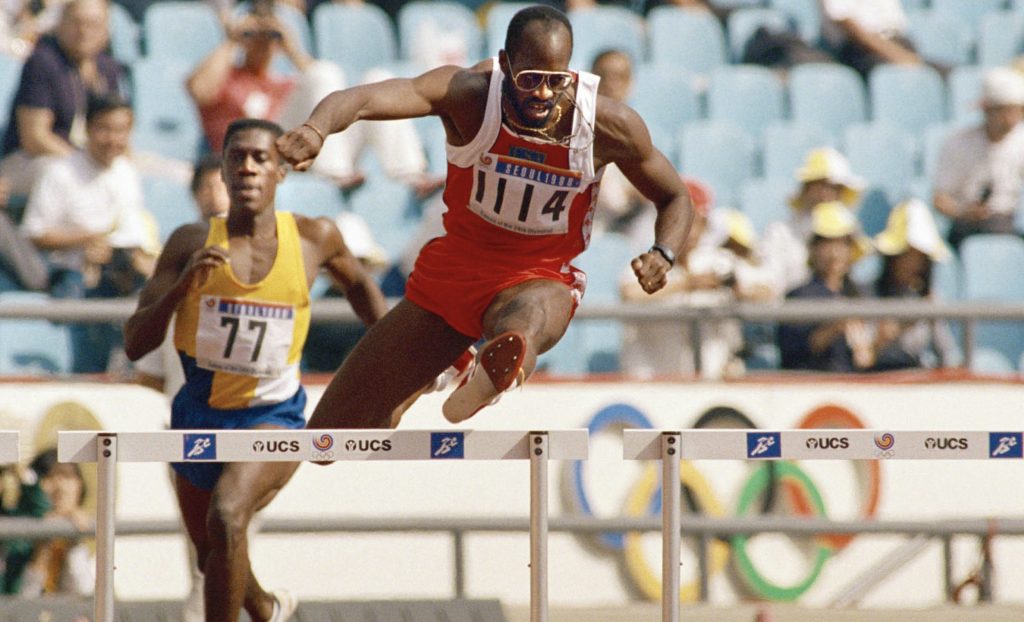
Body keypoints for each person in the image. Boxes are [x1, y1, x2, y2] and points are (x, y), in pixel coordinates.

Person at [276, 4, 693, 426]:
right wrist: (316, 129)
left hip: (539, 274)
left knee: (525, 324)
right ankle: (449, 365)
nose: (544, 94)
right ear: (506, 65)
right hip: (454, 274)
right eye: (530, 80)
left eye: (556, 81)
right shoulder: (471, 94)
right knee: (333, 435)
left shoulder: (608, 125)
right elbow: (365, 99)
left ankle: (493, 375)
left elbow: (675, 196)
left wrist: (664, 252)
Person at [121, 118, 392, 622]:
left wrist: (395, 355)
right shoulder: (188, 242)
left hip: (274, 415)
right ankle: (266, 607)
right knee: (212, 553)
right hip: (198, 415)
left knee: (227, 515)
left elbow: (359, 286)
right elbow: (136, 343)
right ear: (221, 173)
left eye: (260, 158)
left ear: (282, 172)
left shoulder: (316, 238)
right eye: (236, 157)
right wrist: (182, 288)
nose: (247, 167)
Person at [187, 4, 442, 196]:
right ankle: (333, 172)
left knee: (377, 79)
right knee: (324, 73)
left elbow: (320, 85)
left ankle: (408, 173)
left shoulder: (286, 82)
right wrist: (233, 40)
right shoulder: (228, 77)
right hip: (259, 155)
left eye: (271, 37)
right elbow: (199, 90)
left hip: (305, 149)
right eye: (254, 36)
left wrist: (291, 47)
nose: (263, 43)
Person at [19, 93, 156, 373]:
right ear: (88, 129)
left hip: (123, 273)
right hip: (73, 275)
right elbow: (35, 233)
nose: (112, 139)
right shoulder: (60, 172)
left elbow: (135, 228)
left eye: (121, 130)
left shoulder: (127, 172)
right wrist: (89, 239)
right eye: (105, 129)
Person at [619, 179, 772, 379]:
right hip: (655, 381)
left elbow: (768, 291)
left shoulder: (719, 261)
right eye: (678, 221)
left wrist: (739, 290)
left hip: (710, 381)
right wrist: (687, 284)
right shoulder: (646, 260)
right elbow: (629, 293)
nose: (686, 231)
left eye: (695, 222)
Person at [0, 0, 125, 196]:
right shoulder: (43, 62)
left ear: (106, 30)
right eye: (77, 22)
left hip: (86, 159)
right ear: (60, 25)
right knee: (59, 174)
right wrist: (84, 164)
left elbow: (118, 126)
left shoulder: (108, 69)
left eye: (93, 24)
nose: (84, 31)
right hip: (32, 161)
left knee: (127, 172)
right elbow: (34, 138)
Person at [933, 66, 1024, 252]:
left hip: (1007, 221)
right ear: (987, 110)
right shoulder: (958, 144)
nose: (1009, 120)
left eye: (1016, 111)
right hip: (967, 225)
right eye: (1003, 111)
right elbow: (940, 199)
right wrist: (964, 212)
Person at [777, 201, 875, 372]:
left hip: (855, 390)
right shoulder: (799, 296)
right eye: (826, 243)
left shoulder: (861, 294)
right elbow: (794, 355)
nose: (834, 252)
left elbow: (867, 360)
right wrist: (835, 326)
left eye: (842, 243)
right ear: (813, 249)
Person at [761, 146, 865, 299]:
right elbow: (770, 285)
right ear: (806, 188)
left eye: (835, 188)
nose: (826, 194)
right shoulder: (780, 232)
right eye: (821, 185)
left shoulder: (849, 229)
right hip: (791, 317)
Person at [871, 198, 961, 370]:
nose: (912, 264)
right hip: (875, 380)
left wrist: (932, 313)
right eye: (905, 254)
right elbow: (862, 356)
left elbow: (947, 354)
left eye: (919, 257)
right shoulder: (868, 292)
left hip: (915, 378)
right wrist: (891, 332)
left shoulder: (929, 298)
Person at [1, 447, 93, 597]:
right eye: (50, 476)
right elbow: (22, 602)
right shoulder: (17, 534)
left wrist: (72, 538)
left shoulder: (88, 527)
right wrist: (43, 545)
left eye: (67, 476)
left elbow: (84, 592)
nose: (60, 486)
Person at [819, 0, 921, 78]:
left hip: (897, 42)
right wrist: (899, 56)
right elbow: (850, 27)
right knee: (897, 75)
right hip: (862, 50)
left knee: (934, 72)